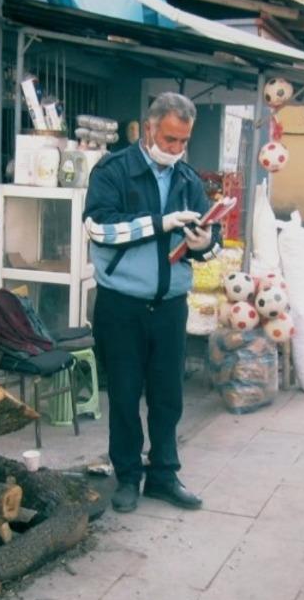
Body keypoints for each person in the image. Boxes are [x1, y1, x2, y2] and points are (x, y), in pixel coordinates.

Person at [83, 92, 221, 513]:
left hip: (170, 306)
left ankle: (164, 475)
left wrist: (203, 242)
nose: (176, 149)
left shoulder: (188, 180)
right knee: (125, 395)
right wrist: (161, 223)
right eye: (169, 139)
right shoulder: (113, 170)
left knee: (167, 396)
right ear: (148, 129)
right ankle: (128, 476)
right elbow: (98, 228)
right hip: (121, 304)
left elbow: (211, 246)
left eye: (184, 141)